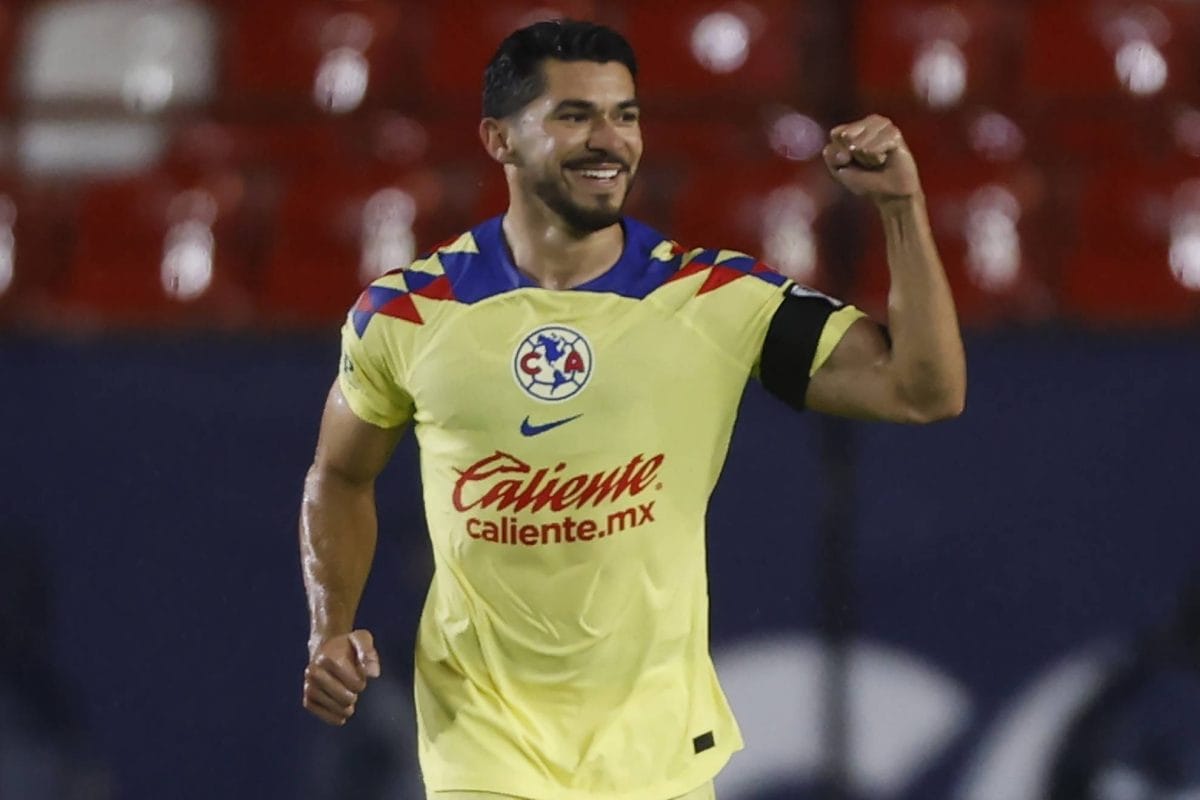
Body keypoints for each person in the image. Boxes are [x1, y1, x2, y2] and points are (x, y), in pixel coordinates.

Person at [299, 18, 965, 800]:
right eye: (574, 115)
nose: (608, 139)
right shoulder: (407, 315)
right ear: (499, 139)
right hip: (484, 754)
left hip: (660, 762)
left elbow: (924, 390)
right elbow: (339, 475)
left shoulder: (711, 300)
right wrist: (329, 627)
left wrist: (901, 209)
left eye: (625, 114)